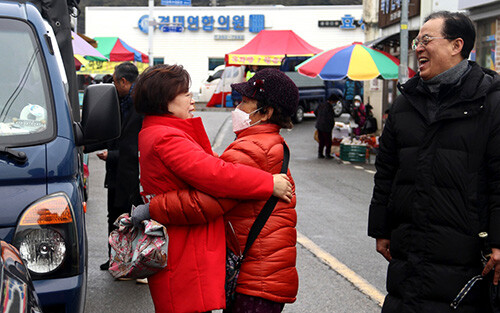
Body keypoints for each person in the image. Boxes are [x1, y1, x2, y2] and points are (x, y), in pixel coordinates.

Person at [130, 65, 293, 313]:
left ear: (266, 112)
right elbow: (217, 175)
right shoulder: (167, 136)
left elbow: (213, 178)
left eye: (246, 102)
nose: (192, 99)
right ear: (164, 100)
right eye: (185, 93)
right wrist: (267, 183)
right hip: (195, 251)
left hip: (251, 268)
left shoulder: (162, 132)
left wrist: (153, 207)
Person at [368, 11, 500, 312]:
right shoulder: (406, 103)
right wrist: (381, 228)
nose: (418, 48)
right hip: (409, 251)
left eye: (426, 40)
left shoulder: (490, 102)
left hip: (467, 253)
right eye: (417, 41)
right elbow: (386, 171)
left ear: (457, 45)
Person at [84, 62, 144, 271]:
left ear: (123, 81)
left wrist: (113, 155)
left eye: (114, 80)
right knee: (114, 216)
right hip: (116, 173)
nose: (112, 85)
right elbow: (109, 132)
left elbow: (139, 147)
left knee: (132, 218)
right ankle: (115, 258)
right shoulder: (118, 101)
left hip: (132, 174)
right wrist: (85, 143)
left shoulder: (142, 105)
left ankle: (131, 261)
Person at [314, 92, 341, 158]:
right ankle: (327, 154)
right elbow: (330, 118)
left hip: (319, 125)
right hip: (326, 127)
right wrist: (332, 125)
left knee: (321, 141)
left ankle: (320, 154)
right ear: (333, 101)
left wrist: (319, 118)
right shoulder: (329, 108)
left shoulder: (321, 104)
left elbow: (315, 112)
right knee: (328, 141)